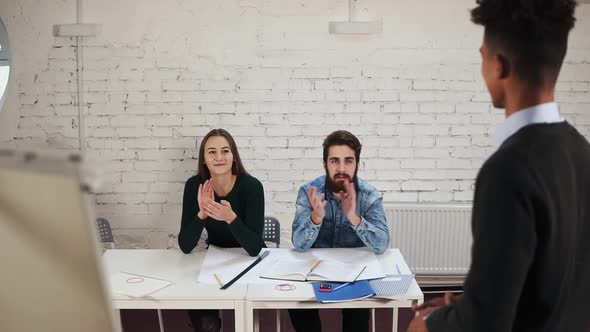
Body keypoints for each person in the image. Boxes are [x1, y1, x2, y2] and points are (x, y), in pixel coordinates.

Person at [408, 1, 590, 331]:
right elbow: (556, 282)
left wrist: (429, 324)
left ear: (499, 66)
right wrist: (466, 303)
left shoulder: (507, 171)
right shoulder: (582, 152)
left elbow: (486, 323)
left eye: (482, 56)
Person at [289, 130, 390, 332]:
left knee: (359, 310)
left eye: (348, 161)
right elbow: (299, 243)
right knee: (298, 304)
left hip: (354, 271)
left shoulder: (369, 196)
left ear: (357, 164)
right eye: (334, 161)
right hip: (314, 270)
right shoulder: (309, 192)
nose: (341, 168)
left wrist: (354, 217)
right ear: (325, 164)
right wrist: (315, 218)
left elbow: (381, 244)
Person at [178, 128, 265, 332]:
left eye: (225, 151)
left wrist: (230, 217)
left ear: (233, 156)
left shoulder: (252, 187)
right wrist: (202, 213)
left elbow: (254, 247)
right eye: (212, 152)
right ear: (203, 160)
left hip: (249, 261)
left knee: (246, 316)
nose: (219, 157)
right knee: (206, 324)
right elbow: (185, 245)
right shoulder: (194, 186)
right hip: (215, 259)